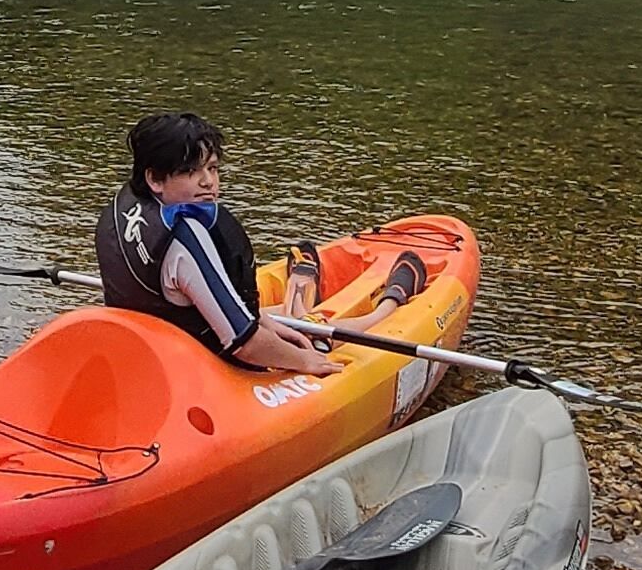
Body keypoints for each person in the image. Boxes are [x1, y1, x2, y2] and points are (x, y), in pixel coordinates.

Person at [94, 110, 426, 377]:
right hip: (199, 370)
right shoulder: (184, 237)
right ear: (155, 178)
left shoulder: (119, 209)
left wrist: (268, 325)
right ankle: (388, 305)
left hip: (153, 355)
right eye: (191, 172)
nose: (208, 182)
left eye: (212, 168)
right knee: (316, 337)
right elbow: (244, 342)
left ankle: (298, 307)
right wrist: (304, 361)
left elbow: (190, 306)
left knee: (285, 323)